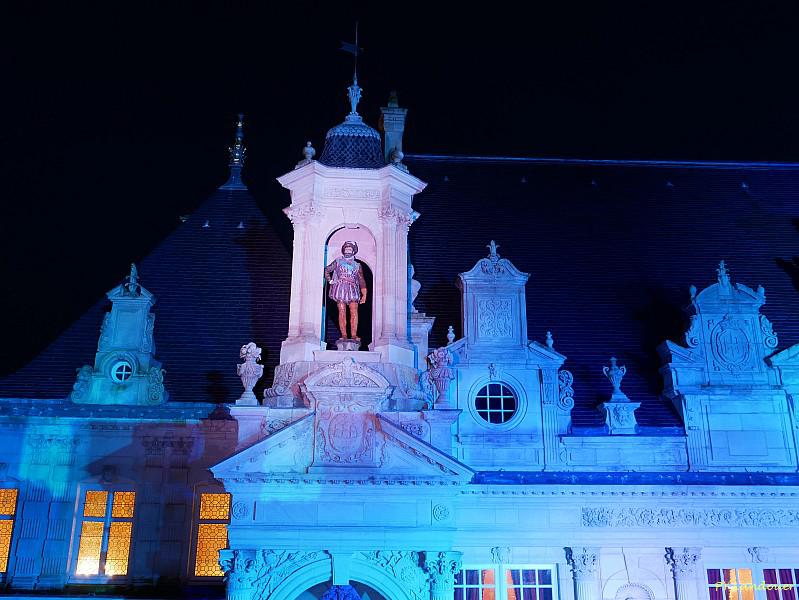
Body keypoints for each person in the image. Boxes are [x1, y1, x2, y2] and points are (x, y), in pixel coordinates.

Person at [325, 241, 367, 341]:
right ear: (343, 250)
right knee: (342, 311)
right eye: (346, 248)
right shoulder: (338, 261)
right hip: (340, 288)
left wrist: (364, 294)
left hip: (352, 288)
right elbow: (327, 270)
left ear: (353, 251)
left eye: (350, 249)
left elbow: (361, 280)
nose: (348, 250)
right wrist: (330, 281)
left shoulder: (357, 265)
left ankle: (353, 335)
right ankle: (343, 335)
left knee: (354, 311)